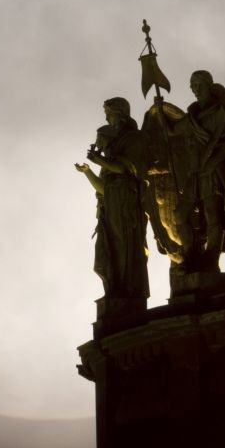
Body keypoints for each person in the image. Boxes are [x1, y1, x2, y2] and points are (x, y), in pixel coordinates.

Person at [75, 98, 149, 299]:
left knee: (124, 245)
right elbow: (104, 190)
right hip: (111, 205)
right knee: (109, 248)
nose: (107, 118)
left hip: (126, 204)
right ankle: (115, 286)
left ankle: (128, 289)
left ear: (121, 113)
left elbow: (128, 169)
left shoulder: (133, 139)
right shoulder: (109, 158)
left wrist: (99, 159)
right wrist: (89, 171)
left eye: (109, 113)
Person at [171, 71, 225, 270]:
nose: (195, 90)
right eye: (192, 86)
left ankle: (211, 256)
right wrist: (160, 112)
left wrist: (213, 161)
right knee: (179, 214)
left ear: (209, 85)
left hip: (213, 170)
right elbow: (171, 130)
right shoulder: (192, 116)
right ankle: (190, 252)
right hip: (195, 173)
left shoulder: (221, 113)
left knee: (213, 213)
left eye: (198, 85)